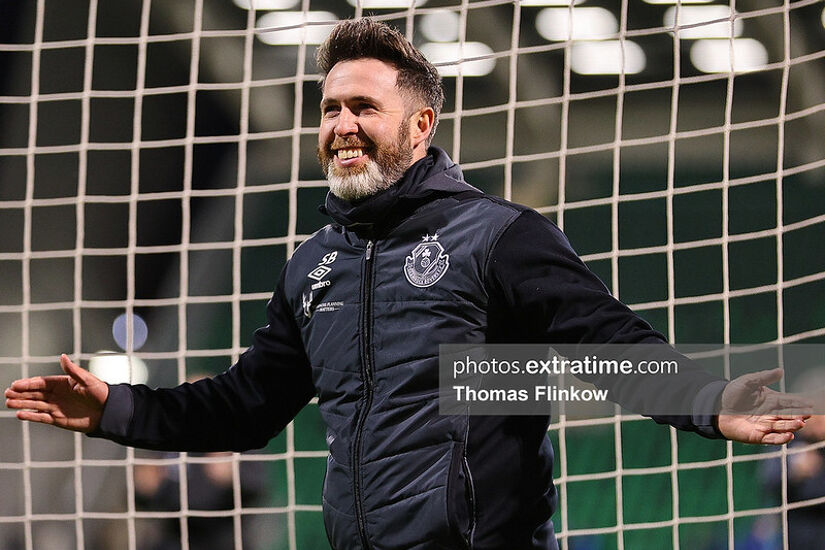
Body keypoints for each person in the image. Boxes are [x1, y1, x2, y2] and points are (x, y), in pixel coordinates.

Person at [4, 19, 811, 550]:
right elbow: (246, 404)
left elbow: (609, 348)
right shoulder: (312, 264)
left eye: (362, 106)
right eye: (327, 109)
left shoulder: (499, 236)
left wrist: (710, 402)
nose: (340, 125)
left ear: (421, 125)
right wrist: (118, 409)